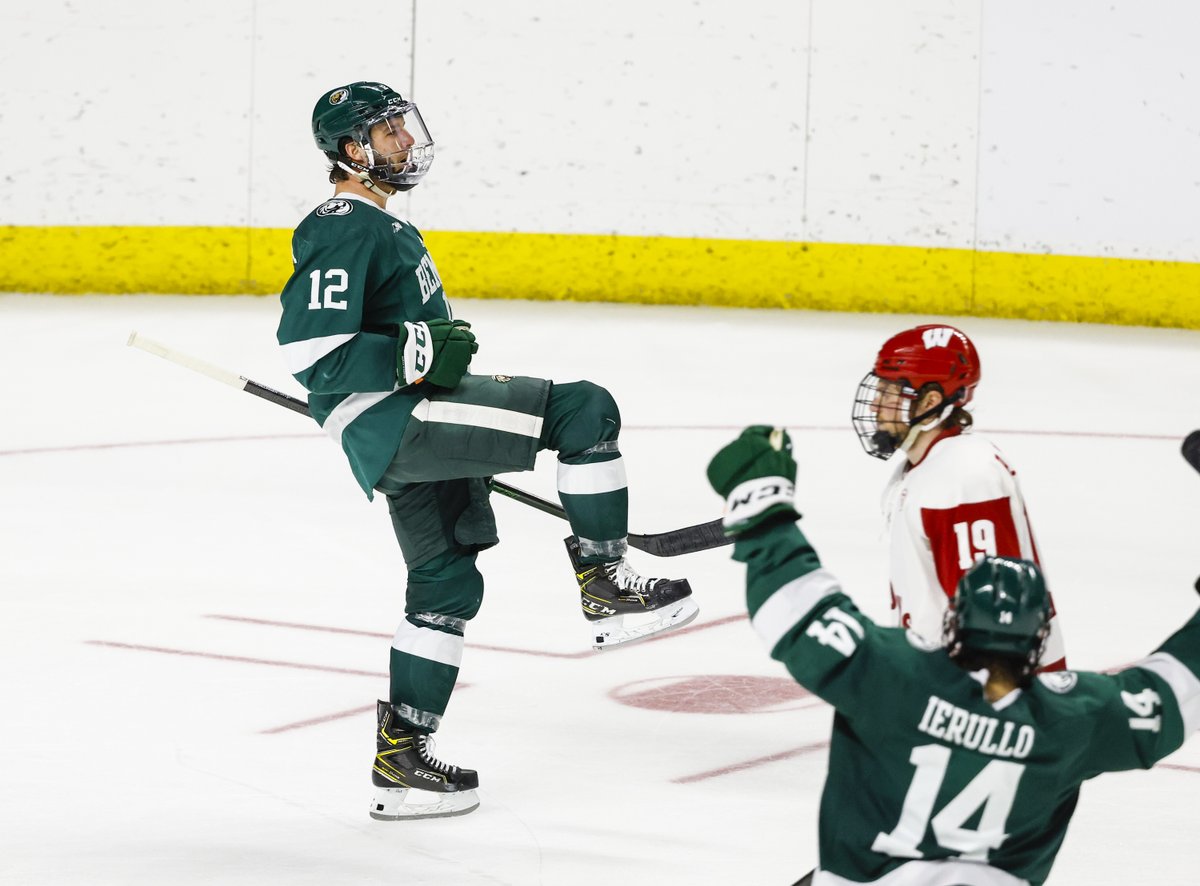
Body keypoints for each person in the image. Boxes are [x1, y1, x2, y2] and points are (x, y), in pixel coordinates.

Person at [275, 81, 697, 821]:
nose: (406, 140)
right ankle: (606, 581)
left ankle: (402, 762)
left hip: (400, 424)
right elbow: (313, 350)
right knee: (583, 408)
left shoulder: (382, 224)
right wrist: (418, 351)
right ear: (351, 151)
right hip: (399, 420)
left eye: (403, 126)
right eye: (388, 131)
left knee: (443, 587)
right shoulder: (345, 220)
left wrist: (422, 352)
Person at [706, 426, 1199, 886]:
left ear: (952, 621)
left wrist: (763, 505)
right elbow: (1178, 684)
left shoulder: (892, 674)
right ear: (1039, 637)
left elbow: (797, 609)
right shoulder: (1077, 717)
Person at [851, 324, 1067, 670]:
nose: (876, 403)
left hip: (985, 702)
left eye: (891, 392)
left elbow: (995, 624)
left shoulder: (962, 477)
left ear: (931, 401)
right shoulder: (925, 467)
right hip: (945, 693)